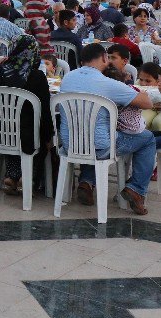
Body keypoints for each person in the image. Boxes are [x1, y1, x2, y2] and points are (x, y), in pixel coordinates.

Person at [60, 43, 155, 215]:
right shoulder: (107, 83)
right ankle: (136, 189)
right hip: (100, 147)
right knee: (148, 138)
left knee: (95, 132)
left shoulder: (67, 78)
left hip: (70, 144)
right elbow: (147, 103)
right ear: (104, 58)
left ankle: (87, 181)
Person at [0, 35, 52, 194]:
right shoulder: (37, 76)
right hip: (27, 134)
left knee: (12, 127)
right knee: (38, 136)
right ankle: (28, 178)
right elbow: (45, 111)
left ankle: (12, 175)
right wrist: (49, 136)